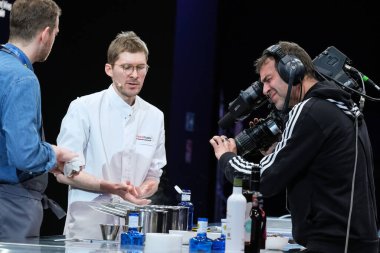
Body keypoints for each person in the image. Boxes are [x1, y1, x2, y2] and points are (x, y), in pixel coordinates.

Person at [210, 41, 379, 253]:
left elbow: (264, 179)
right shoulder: (340, 106)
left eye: (268, 80)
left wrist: (227, 158)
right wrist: (279, 150)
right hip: (355, 244)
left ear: (293, 69)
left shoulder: (308, 109)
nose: (264, 90)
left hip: (332, 245)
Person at [55, 31, 167, 239]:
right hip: (88, 227)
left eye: (140, 67)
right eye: (126, 67)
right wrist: (111, 188)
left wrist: (141, 190)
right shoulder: (83, 108)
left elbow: (154, 175)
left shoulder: (155, 116)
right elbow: (63, 173)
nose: (134, 75)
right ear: (109, 69)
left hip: (132, 228)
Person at [0, 0, 78, 240]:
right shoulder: (23, 79)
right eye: (55, 32)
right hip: (11, 208)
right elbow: (24, 154)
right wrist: (54, 153)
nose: (54, 38)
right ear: (45, 34)